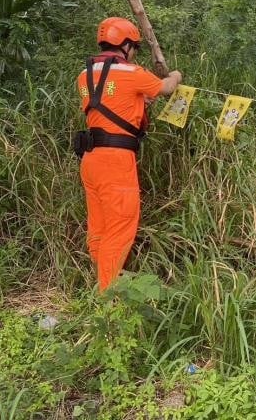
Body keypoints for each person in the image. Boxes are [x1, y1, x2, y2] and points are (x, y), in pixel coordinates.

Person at [76, 17, 182, 292]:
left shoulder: (85, 76)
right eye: (133, 46)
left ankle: (101, 287)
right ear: (124, 45)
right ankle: (108, 304)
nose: (134, 52)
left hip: (91, 158)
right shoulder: (131, 73)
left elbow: (111, 104)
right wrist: (176, 75)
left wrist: (138, 101)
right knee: (120, 230)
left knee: (99, 229)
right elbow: (166, 87)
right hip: (116, 160)